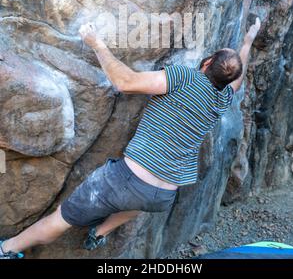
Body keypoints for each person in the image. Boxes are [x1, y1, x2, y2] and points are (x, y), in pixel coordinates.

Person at [0, 18, 261, 259]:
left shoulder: (184, 77)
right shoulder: (223, 98)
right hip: (163, 196)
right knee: (138, 203)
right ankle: (100, 232)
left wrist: (96, 43)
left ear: (206, 63)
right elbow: (235, 80)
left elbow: (125, 82)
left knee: (61, 219)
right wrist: (247, 42)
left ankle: (7, 249)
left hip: (126, 181)